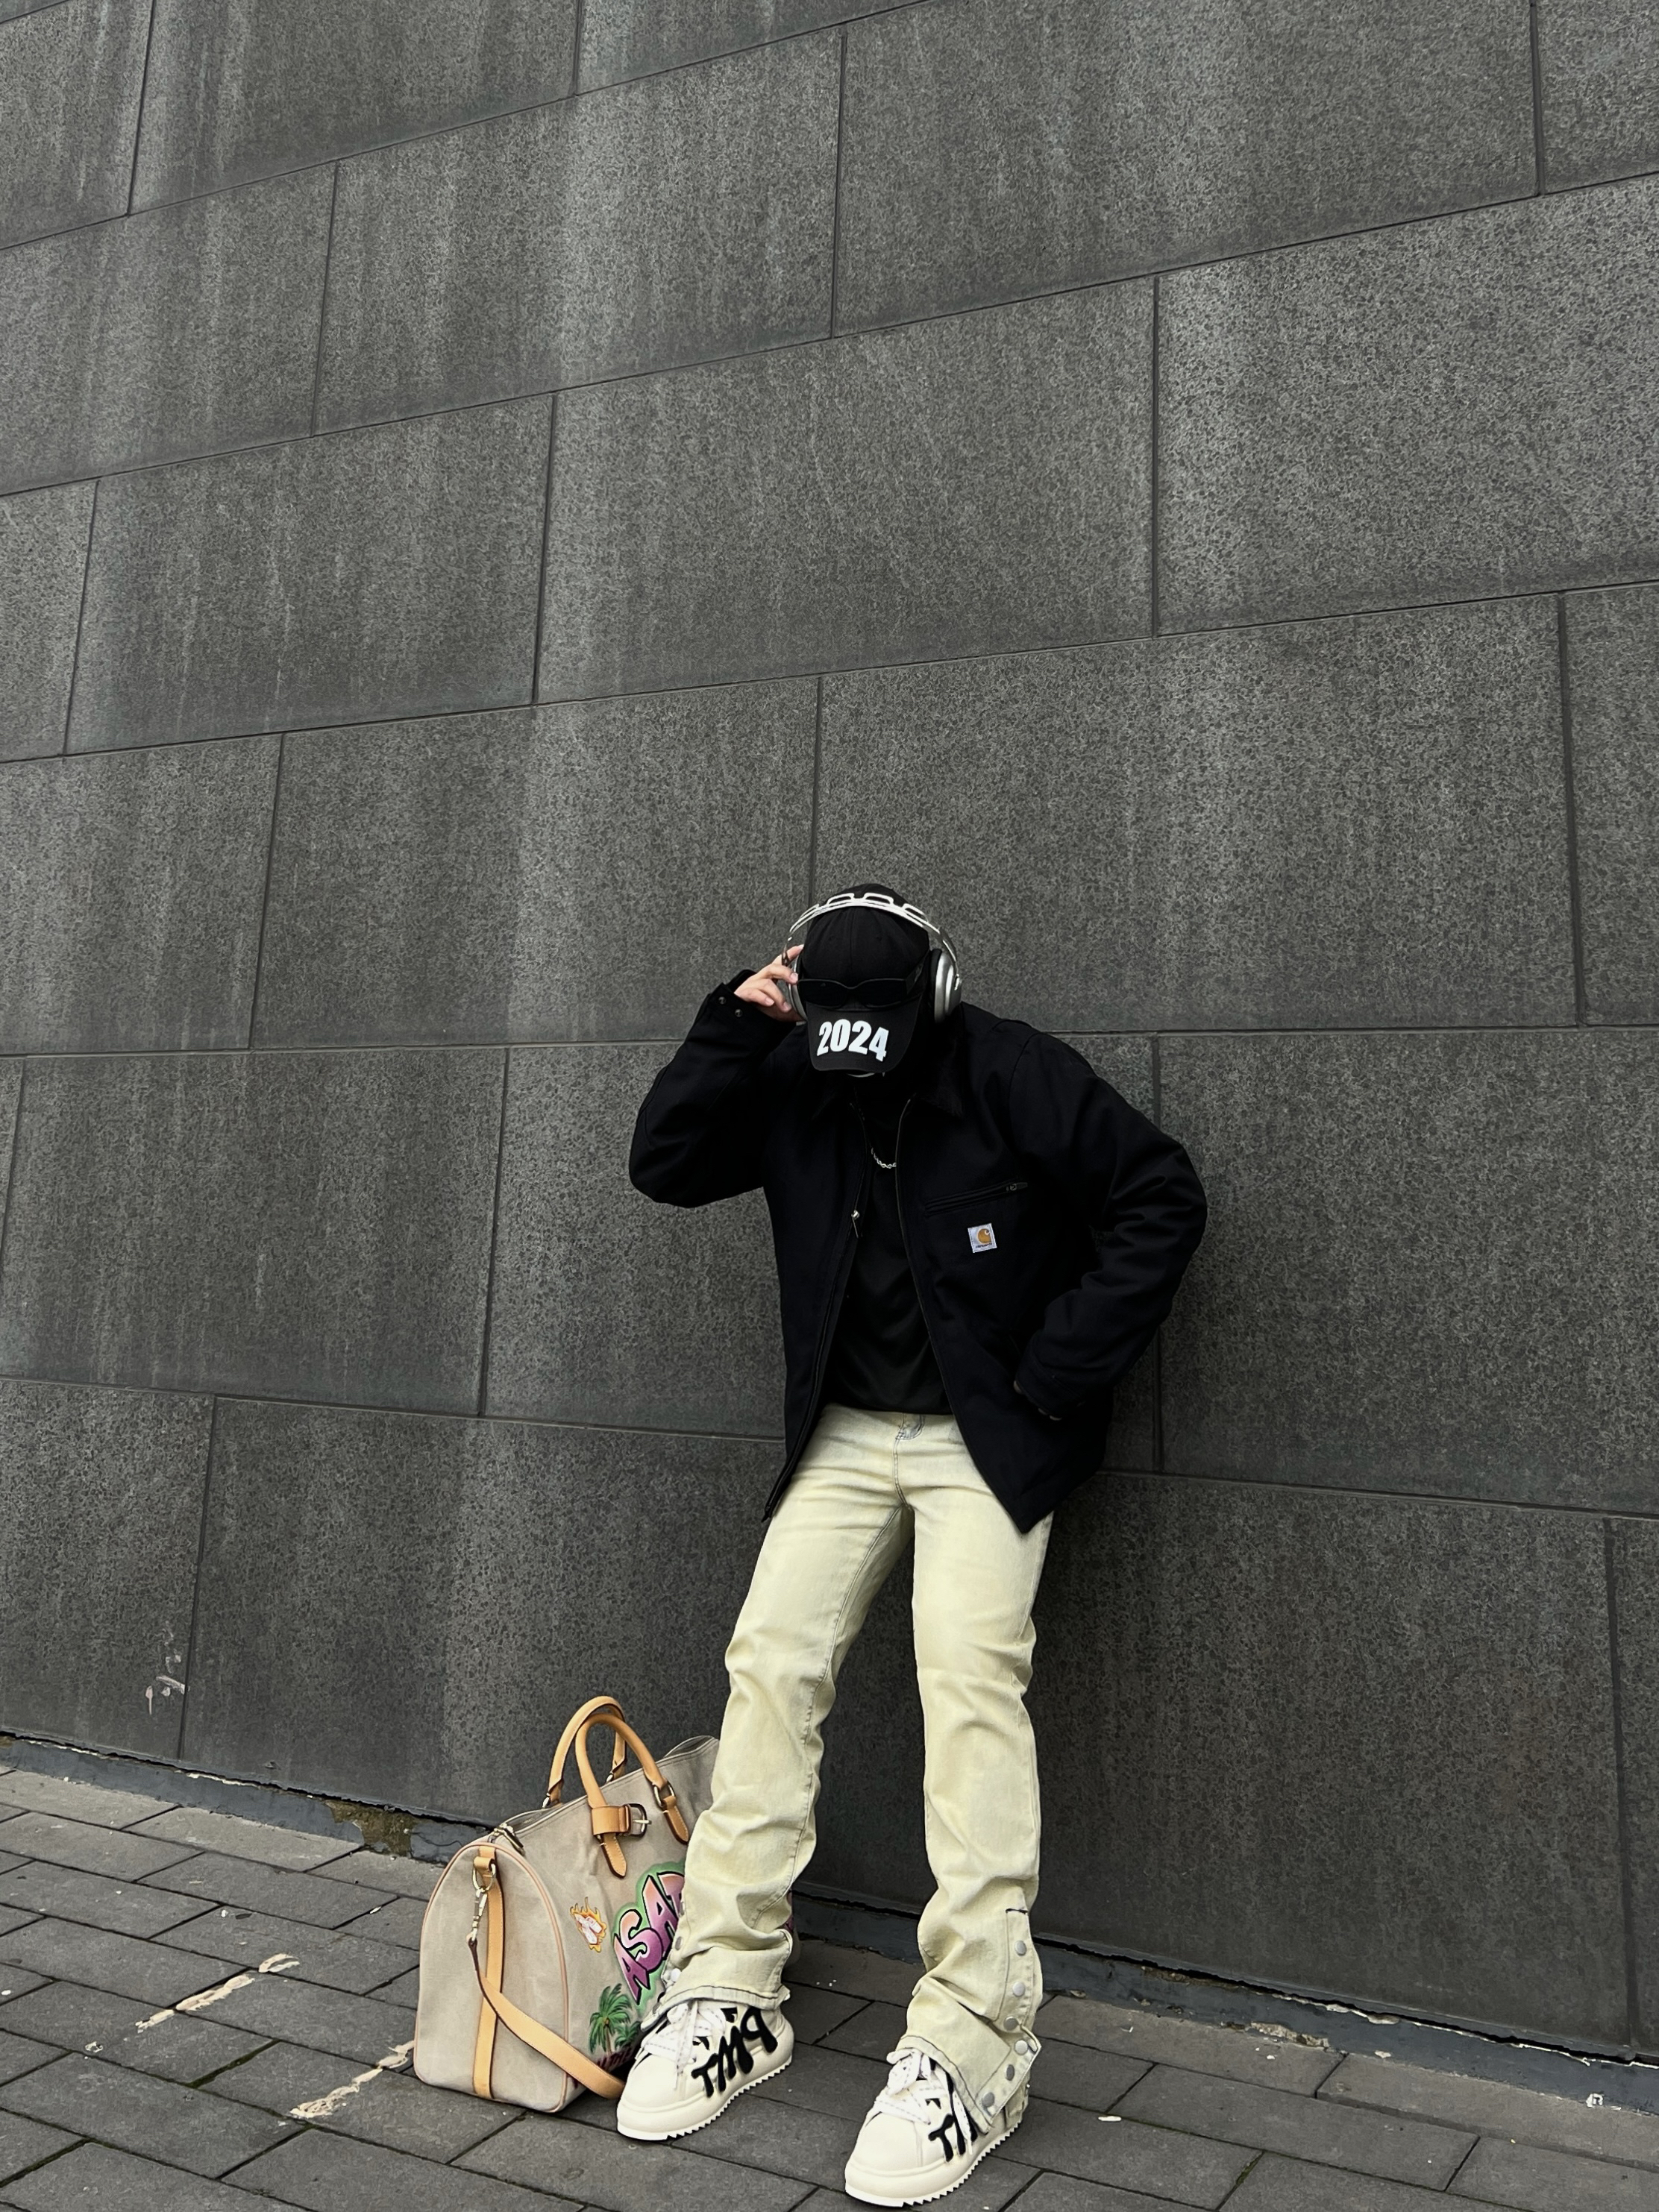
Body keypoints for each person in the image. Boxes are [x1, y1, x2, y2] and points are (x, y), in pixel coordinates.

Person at [617, 886, 1205, 2205]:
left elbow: (1160, 1195)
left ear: (934, 999)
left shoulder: (1014, 1071)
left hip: (983, 1436)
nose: (861, 1074)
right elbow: (665, 1159)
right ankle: (728, 1986)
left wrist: (1051, 1373)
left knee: (968, 1676)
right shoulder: (794, 1063)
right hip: (844, 1434)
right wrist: (737, 1022)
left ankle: (975, 2038)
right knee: (770, 1662)